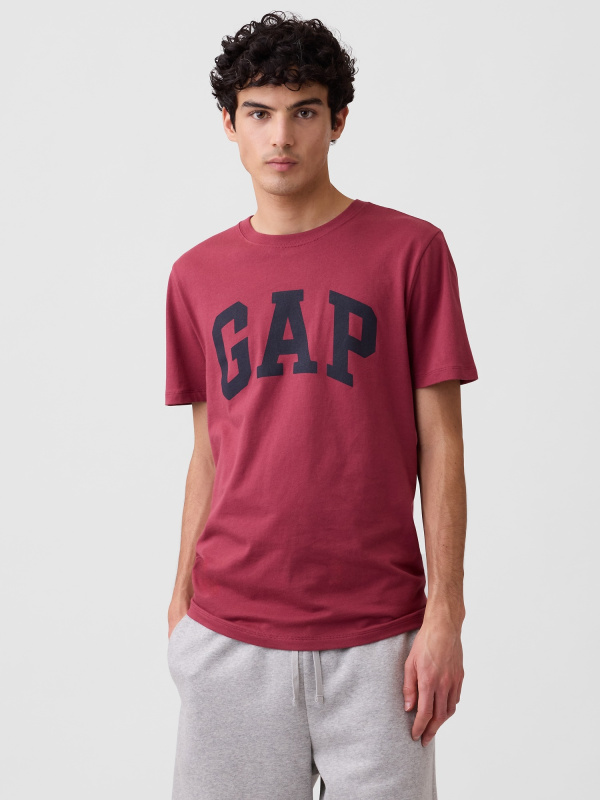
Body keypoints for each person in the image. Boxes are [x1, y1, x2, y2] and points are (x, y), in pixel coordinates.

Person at [164, 11, 478, 800]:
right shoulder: (195, 276)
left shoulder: (411, 253)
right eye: (259, 113)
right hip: (229, 638)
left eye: (304, 111)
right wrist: (180, 606)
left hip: (379, 643)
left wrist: (445, 614)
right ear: (229, 124)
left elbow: (442, 444)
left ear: (337, 121)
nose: (281, 136)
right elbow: (209, 452)